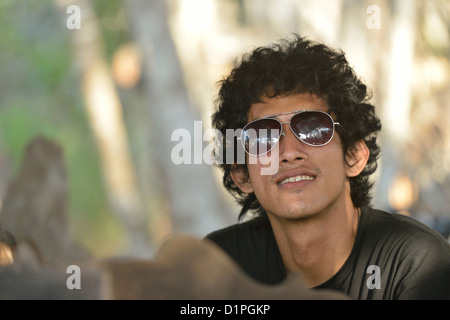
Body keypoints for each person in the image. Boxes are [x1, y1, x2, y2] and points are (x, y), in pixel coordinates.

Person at [204, 34, 450, 300]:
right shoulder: (220, 265)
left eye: (313, 129)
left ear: (354, 155)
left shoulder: (415, 263)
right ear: (242, 175)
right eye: (263, 137)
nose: (288, 153)